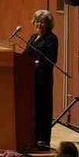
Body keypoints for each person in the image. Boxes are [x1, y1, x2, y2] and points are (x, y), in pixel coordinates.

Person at [24, 9, 59, 149]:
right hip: (29, 79)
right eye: (37, 21)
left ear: (48, 25)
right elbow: (25, 55)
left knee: (42, 109)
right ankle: (30, 138)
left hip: (43, 80)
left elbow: (51, 60)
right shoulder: (33, 37)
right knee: (31, 109)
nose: (39, 24)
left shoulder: (52, 39)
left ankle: (43, 140)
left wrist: (35, 63)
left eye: (42, 22)